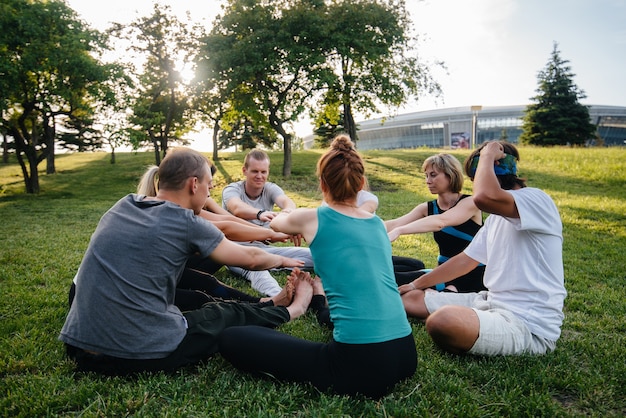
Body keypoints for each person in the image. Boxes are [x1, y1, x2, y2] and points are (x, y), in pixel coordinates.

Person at [59, 147, 313, 376]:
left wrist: (270, 235)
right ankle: (292, 310)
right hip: (131, 354)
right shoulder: (184, 222)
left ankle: (268, 303)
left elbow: (226, 227)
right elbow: (251, 258)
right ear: (194, 184)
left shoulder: (123, 205)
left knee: (199, 294)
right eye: (208, 186)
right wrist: (283, 260)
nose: (208, 193)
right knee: (219, 314)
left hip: (79, 345)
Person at [218, 135, 417, 398]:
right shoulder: (377, 224)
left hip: (361, 365)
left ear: (322, 183)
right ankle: (317, 301)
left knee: (232, 338)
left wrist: (291, 214)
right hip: (406, 353)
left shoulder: (313, 218)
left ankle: (303, 305)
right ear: (360, 184)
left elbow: (277, 224)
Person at [398, 141, 566, 356]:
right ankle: (471, 318)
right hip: (488, 300)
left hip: (527, 324)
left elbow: (484, 197)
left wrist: (486, 155)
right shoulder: (496, 219)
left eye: (475, 178)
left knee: (442, 321)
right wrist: (414, 285)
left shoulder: (537, 199)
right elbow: (465, 260)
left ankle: (465, 320)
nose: (474, 184)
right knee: (409, 300)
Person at [135, 165, 292, 310]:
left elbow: (226, 220)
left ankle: (261, 303)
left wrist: (266, 233)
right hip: (142, 290)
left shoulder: (135, 203)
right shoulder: (180, 217)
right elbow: (227, 229)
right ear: (194, 184)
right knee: (198, 298)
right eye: (209, 183)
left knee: (205, 281)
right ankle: (261, 306)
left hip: (156, 274)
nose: (211, 190)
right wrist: (273, 240)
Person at [385, 153, 486, 292]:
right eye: (426, 176)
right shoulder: (428, 208)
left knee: (391, 279)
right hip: (442, 274)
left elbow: (441, 221)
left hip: (471, 275)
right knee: (405, 267)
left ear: (450, 175)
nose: (428, 181)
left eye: (433, 175)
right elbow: (394, 224)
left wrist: (400, 231)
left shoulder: (471, 203)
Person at [221, 149, 314, 296]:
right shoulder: (231, 190)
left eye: (263, 172)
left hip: (264, 250)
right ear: (244, 170)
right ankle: (280, 298)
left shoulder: (270, 188)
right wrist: (260, 213)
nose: (259, 176)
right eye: (255, 171)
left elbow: (286, 202)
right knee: (259, 272)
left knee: (314, 254)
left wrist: (288, 214)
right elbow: (237, 208)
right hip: (236, 251)